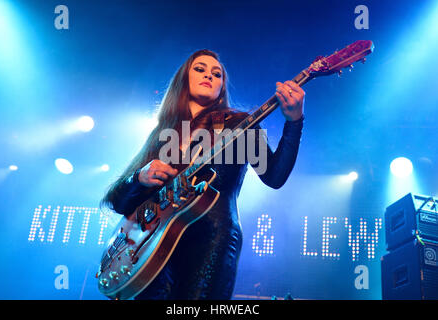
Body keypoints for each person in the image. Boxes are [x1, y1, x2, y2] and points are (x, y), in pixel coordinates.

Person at [101, 49, 305, 299]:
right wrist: (139, 178)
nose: (209, 74)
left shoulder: (238, 123)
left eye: (217, 73)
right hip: (153, 248)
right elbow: (118, 202)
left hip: (211, 239)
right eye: (200, 69)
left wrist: (294, 122)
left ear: (222, 87)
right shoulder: (162, 133)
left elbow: (274, 176)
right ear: (183, 78)